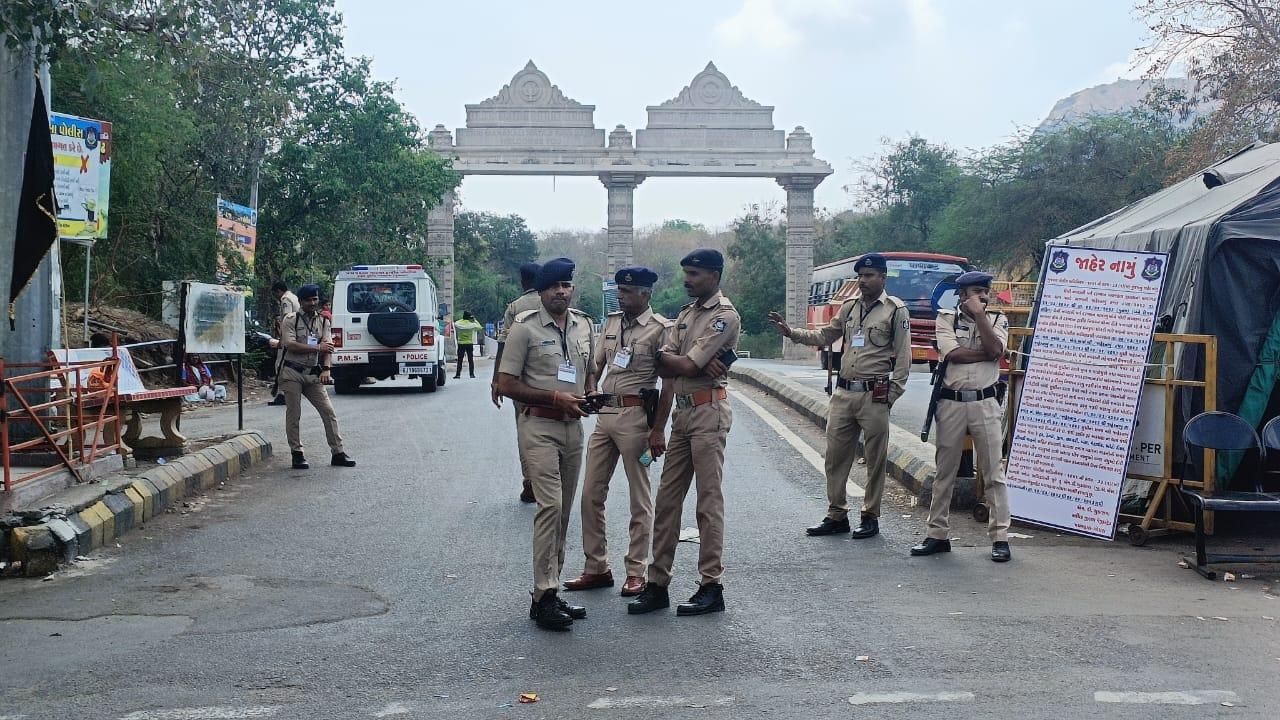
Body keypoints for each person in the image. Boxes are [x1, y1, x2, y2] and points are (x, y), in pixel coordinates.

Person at [628, 249, 740, 617]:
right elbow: (668, 367)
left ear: (714, 275)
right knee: (667, 501)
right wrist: (681, 365)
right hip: (682, 414)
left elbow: (686, 362)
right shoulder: (687, 315)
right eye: (686, 273)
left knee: (708, 504)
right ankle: (658, 583)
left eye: (693, 274)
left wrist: (682, 363)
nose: (687, 280)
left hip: (710, 412)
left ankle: (711, 585)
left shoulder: (725, 316)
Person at [769, 253, 910, 540]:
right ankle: (836, 514)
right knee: (835, 458)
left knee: (875, 459)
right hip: (844, 393)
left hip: (875, 395)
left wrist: (892, 394)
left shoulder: (895, 310)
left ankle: (870, 516)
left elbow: (905, 356)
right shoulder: (849, 308)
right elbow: (825, 336)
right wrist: (792, 333)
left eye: (869, 276)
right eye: (860, 276)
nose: (863, 281)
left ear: (882, 277)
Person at [495, 258, 596, 631]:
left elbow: (589, 371)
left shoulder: (584, 325)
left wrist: (590, 392)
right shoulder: (524, 328)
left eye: (566, 285)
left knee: (564, 512)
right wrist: (554, 399)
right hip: (539, 425)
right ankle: (542, 593)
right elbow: (507, 384)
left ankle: (551, 593)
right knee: (549, 507)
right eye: (553, 286)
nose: (561, 292)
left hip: (574, 428)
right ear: (540, 292)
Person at [563, 267, 675, 598]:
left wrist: (658, 430)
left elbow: (668, 385)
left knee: (640, 498)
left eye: (628, 292)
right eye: (620, 292)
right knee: (590, 494)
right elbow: (594, 365)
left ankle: (636, 571)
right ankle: (596, 567)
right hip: (605, 416)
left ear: (646, 295)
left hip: (636, 418)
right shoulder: (612, 323)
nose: (621, 296)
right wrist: (590, 389)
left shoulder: (660, 330)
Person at [912, 271, 1013, 562]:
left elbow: (996, 350)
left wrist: (981, 317)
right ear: (961, 295)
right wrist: (985, 352)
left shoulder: (996, 320)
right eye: (974, 292)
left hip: (985, 402)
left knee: (994, 471)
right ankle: (937, 534)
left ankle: (1000, 537)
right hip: (951, 403)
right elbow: (952, 354)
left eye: (984, 291)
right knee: (946, 471)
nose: (981, 296)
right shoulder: (946, 319)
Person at [278, 284, 356, 470]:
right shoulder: (291, 320)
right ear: (301, 302)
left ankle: (338, 452)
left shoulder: (324, 321)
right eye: (308, 300)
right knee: (294, 414)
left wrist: (326, 369)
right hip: (291, 372)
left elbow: (327, 346)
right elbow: (289, 344)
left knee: (328, 412)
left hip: (313, 373)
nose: (312, 303)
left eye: (315, 299)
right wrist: (317, 348)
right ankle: (297, 453)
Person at [493, 262, 544, 503]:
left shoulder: (515, 307)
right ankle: (552, 479)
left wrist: (497, 381)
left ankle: (531, 482)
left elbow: (503, 343)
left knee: (525, 428)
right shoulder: (553, 302)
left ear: (523, 281)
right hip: (550, 376)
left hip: (520, 380)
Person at [268, 280, 299, 407]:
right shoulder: (294, 297)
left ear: (278, 291)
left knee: (280, 365)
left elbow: (287, 320)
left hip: (288, 337)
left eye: (275, 294)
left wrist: (281, 340)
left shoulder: (285, 300)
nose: (276, 297)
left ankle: (282, 394)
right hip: (296, 336)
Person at [453, 311, 482, 379]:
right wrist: (475, 320)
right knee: (470, 360)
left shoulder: (459, 323)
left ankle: (458, 375)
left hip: (461, 344)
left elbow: (456, 323)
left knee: (460, 360)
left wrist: (463, 319)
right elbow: (480, 327)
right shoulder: (471, 324)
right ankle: (471, 374)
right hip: (469, 344)